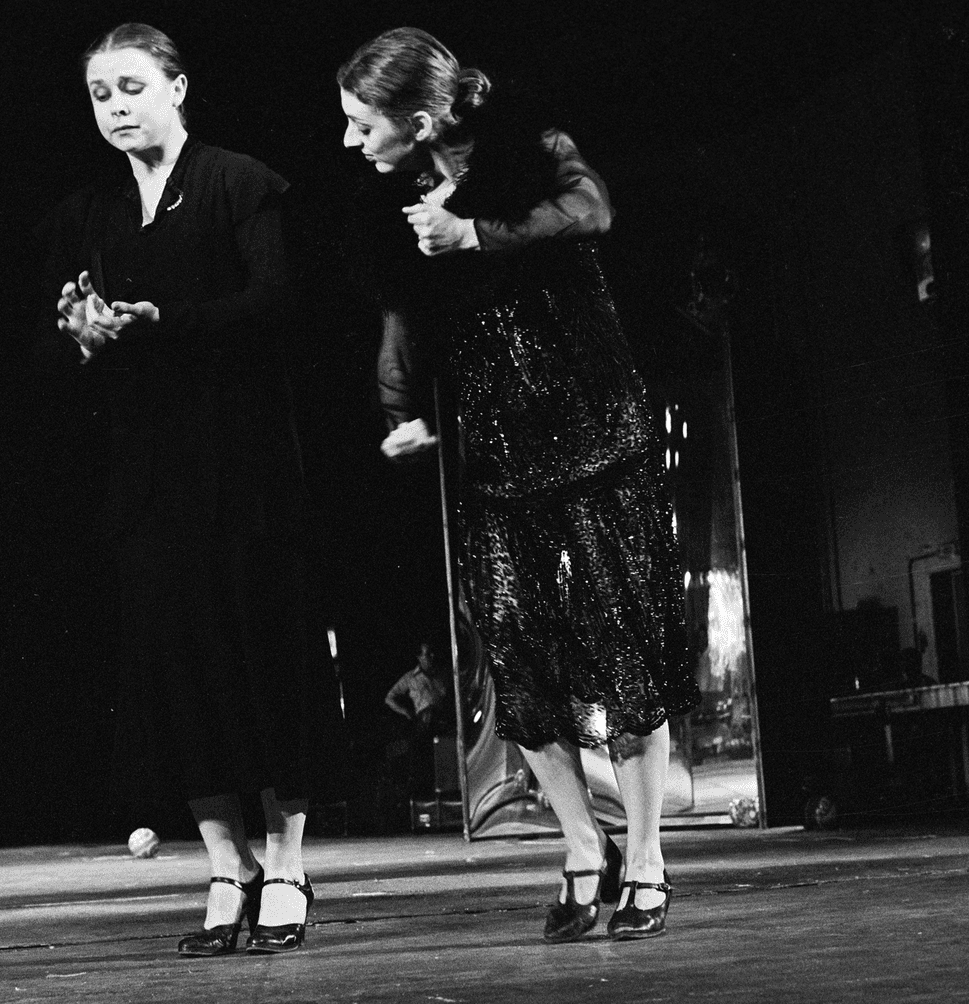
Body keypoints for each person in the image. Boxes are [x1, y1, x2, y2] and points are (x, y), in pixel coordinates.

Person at [338, 28, 700, 943]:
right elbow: (400, 318)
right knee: (518, 652)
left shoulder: (527, 150)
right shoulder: (393, 201)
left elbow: (591, 213)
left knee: (623, 646)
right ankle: (584, 847)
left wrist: (474, 233)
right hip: (497, 446)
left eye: (361, 123)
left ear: (419, 120)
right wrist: (398, 413)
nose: (351, 142)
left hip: (590, 420)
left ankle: (649, 857)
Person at [40, 23, 342, 956]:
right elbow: (78, 347)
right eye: (100, 95)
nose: (117, 107)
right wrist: (87, 337)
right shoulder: (89, 213)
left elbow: (278, 302)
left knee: (260, 652)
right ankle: (225, 863)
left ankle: (286, 862)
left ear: (176, 85)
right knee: (175, 666)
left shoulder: (237, 181)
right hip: (148, 470)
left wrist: (166, 322)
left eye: (132, 86)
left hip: (241, 462)